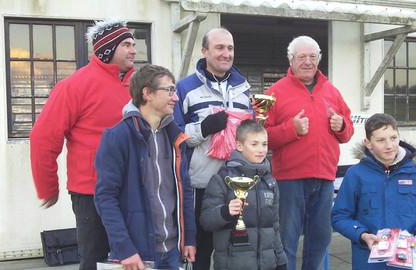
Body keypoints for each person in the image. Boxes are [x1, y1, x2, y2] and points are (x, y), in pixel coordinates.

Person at [30, 18, 136, 270]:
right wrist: (48, 187)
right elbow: (43, 137)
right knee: (96, 260)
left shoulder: (139, 85)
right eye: (126, 44)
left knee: (132, 259)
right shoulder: (74, 86)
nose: (134, 50)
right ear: (108, 49)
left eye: (133, 44)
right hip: (91, 193)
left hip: (134, 190)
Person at [263, 35, 354, 269]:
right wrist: (290, 129)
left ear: (319, 60)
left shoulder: (331, 90)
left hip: (324, 178)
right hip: (289, 180)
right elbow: (262, 137)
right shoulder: (273, 92)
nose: (307, 62)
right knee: (286, 240)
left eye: (313, 57)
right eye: (302, 57)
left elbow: (348, 130)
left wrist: (342, 125)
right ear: (291, 61)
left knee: (320, 239)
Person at [94, 64, 196, 270]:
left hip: (174, 252)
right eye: (169, 90)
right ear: (147, 93)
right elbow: (105, 198)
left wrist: (189, 237)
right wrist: (125, 249)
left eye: (174, 90)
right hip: (138, 256)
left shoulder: (176, 137)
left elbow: (185, 191)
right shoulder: (117, 137)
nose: (175, 97)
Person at [174, 27, 252, 269]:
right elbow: (174, 139)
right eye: (219, 47)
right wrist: (203, 128)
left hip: (236, 183)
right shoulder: (184, 88)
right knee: (201, 249)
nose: (226, 53)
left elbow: (251, 134)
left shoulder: (244, 89)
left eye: (230, 48)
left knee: (233, 252)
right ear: (204, 51)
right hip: (201, 184)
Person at [331, 113, 416, 269]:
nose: (389, 145)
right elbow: (339, 216)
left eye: (393, 138)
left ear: (399, 136)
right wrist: (362, 235)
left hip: (408, 260)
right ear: (368, 143)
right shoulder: (355, 174)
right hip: (367, 261)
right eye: (380, 140)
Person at [200, 119, 287, 270]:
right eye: (254, 144)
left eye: (264, 144)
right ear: (239, 145)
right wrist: (225, 212)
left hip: (267, 265)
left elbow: (274, 226)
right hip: (232, 265)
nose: (261, 149)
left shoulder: (270, 181)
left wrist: (280, 260)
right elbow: (206, 221)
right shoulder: (222, 179)